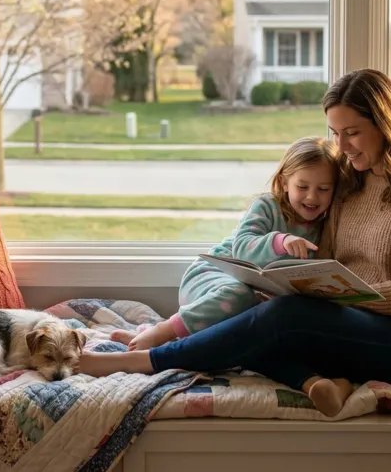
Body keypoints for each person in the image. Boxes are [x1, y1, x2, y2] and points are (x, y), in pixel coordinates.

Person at [78, 69, 391, 418]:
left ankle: (145, 360)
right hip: (356, 325)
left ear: (387, 124)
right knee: (252, 318)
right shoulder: (353, 181)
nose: (343, 147)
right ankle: (317, 382)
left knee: (283, 318)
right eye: (336, 133)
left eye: (352, 133)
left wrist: (344, 299)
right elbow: (328, 258)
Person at [111, 136, 339, 351]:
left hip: (255, 295)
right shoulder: (268, 206)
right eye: (302, 187)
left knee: (261, 320)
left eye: (323, 189)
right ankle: (163, 332)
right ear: (284, 182)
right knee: (240, 296)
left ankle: (174, 341)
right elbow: (242, 248)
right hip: (212, 275)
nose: (311, 197)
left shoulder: (326, 224)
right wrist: (280, 242)